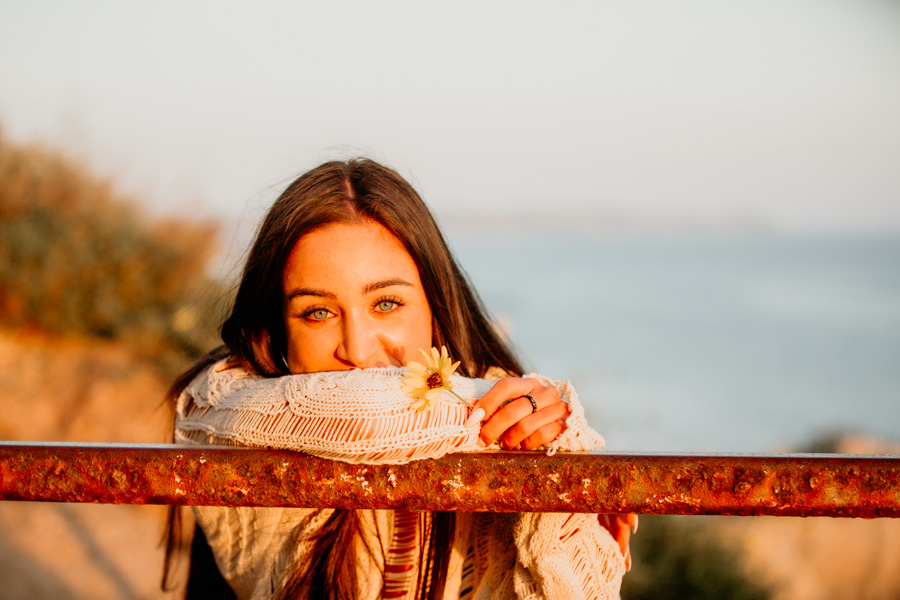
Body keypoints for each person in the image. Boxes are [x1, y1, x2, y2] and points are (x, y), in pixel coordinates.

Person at [164, 158, 635, 600]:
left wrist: (562, 475)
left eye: (386, 304)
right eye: (318, 312)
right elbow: (364, 417)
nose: (357, 349)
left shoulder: (515, 415)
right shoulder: (224, 407)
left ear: (435, 305)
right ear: (279, 330)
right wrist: (502, 421)